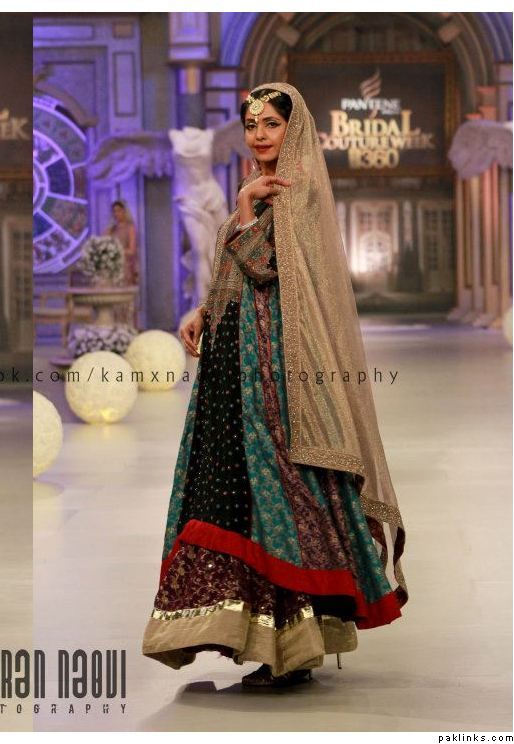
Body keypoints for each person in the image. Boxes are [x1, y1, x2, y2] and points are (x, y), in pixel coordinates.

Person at [141, 83, 407, 688]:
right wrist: (204, 309)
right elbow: (236, 271)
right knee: (239, 493)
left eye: (271, 124)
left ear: (294, 129)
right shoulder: (261, 188)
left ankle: (293, 644)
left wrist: (241, 209)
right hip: (235, 363)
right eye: (251, 124)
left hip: (278, 370)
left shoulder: (296, 189)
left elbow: (263, 265)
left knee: (280, 490)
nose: (259, 134)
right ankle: (260, 635)